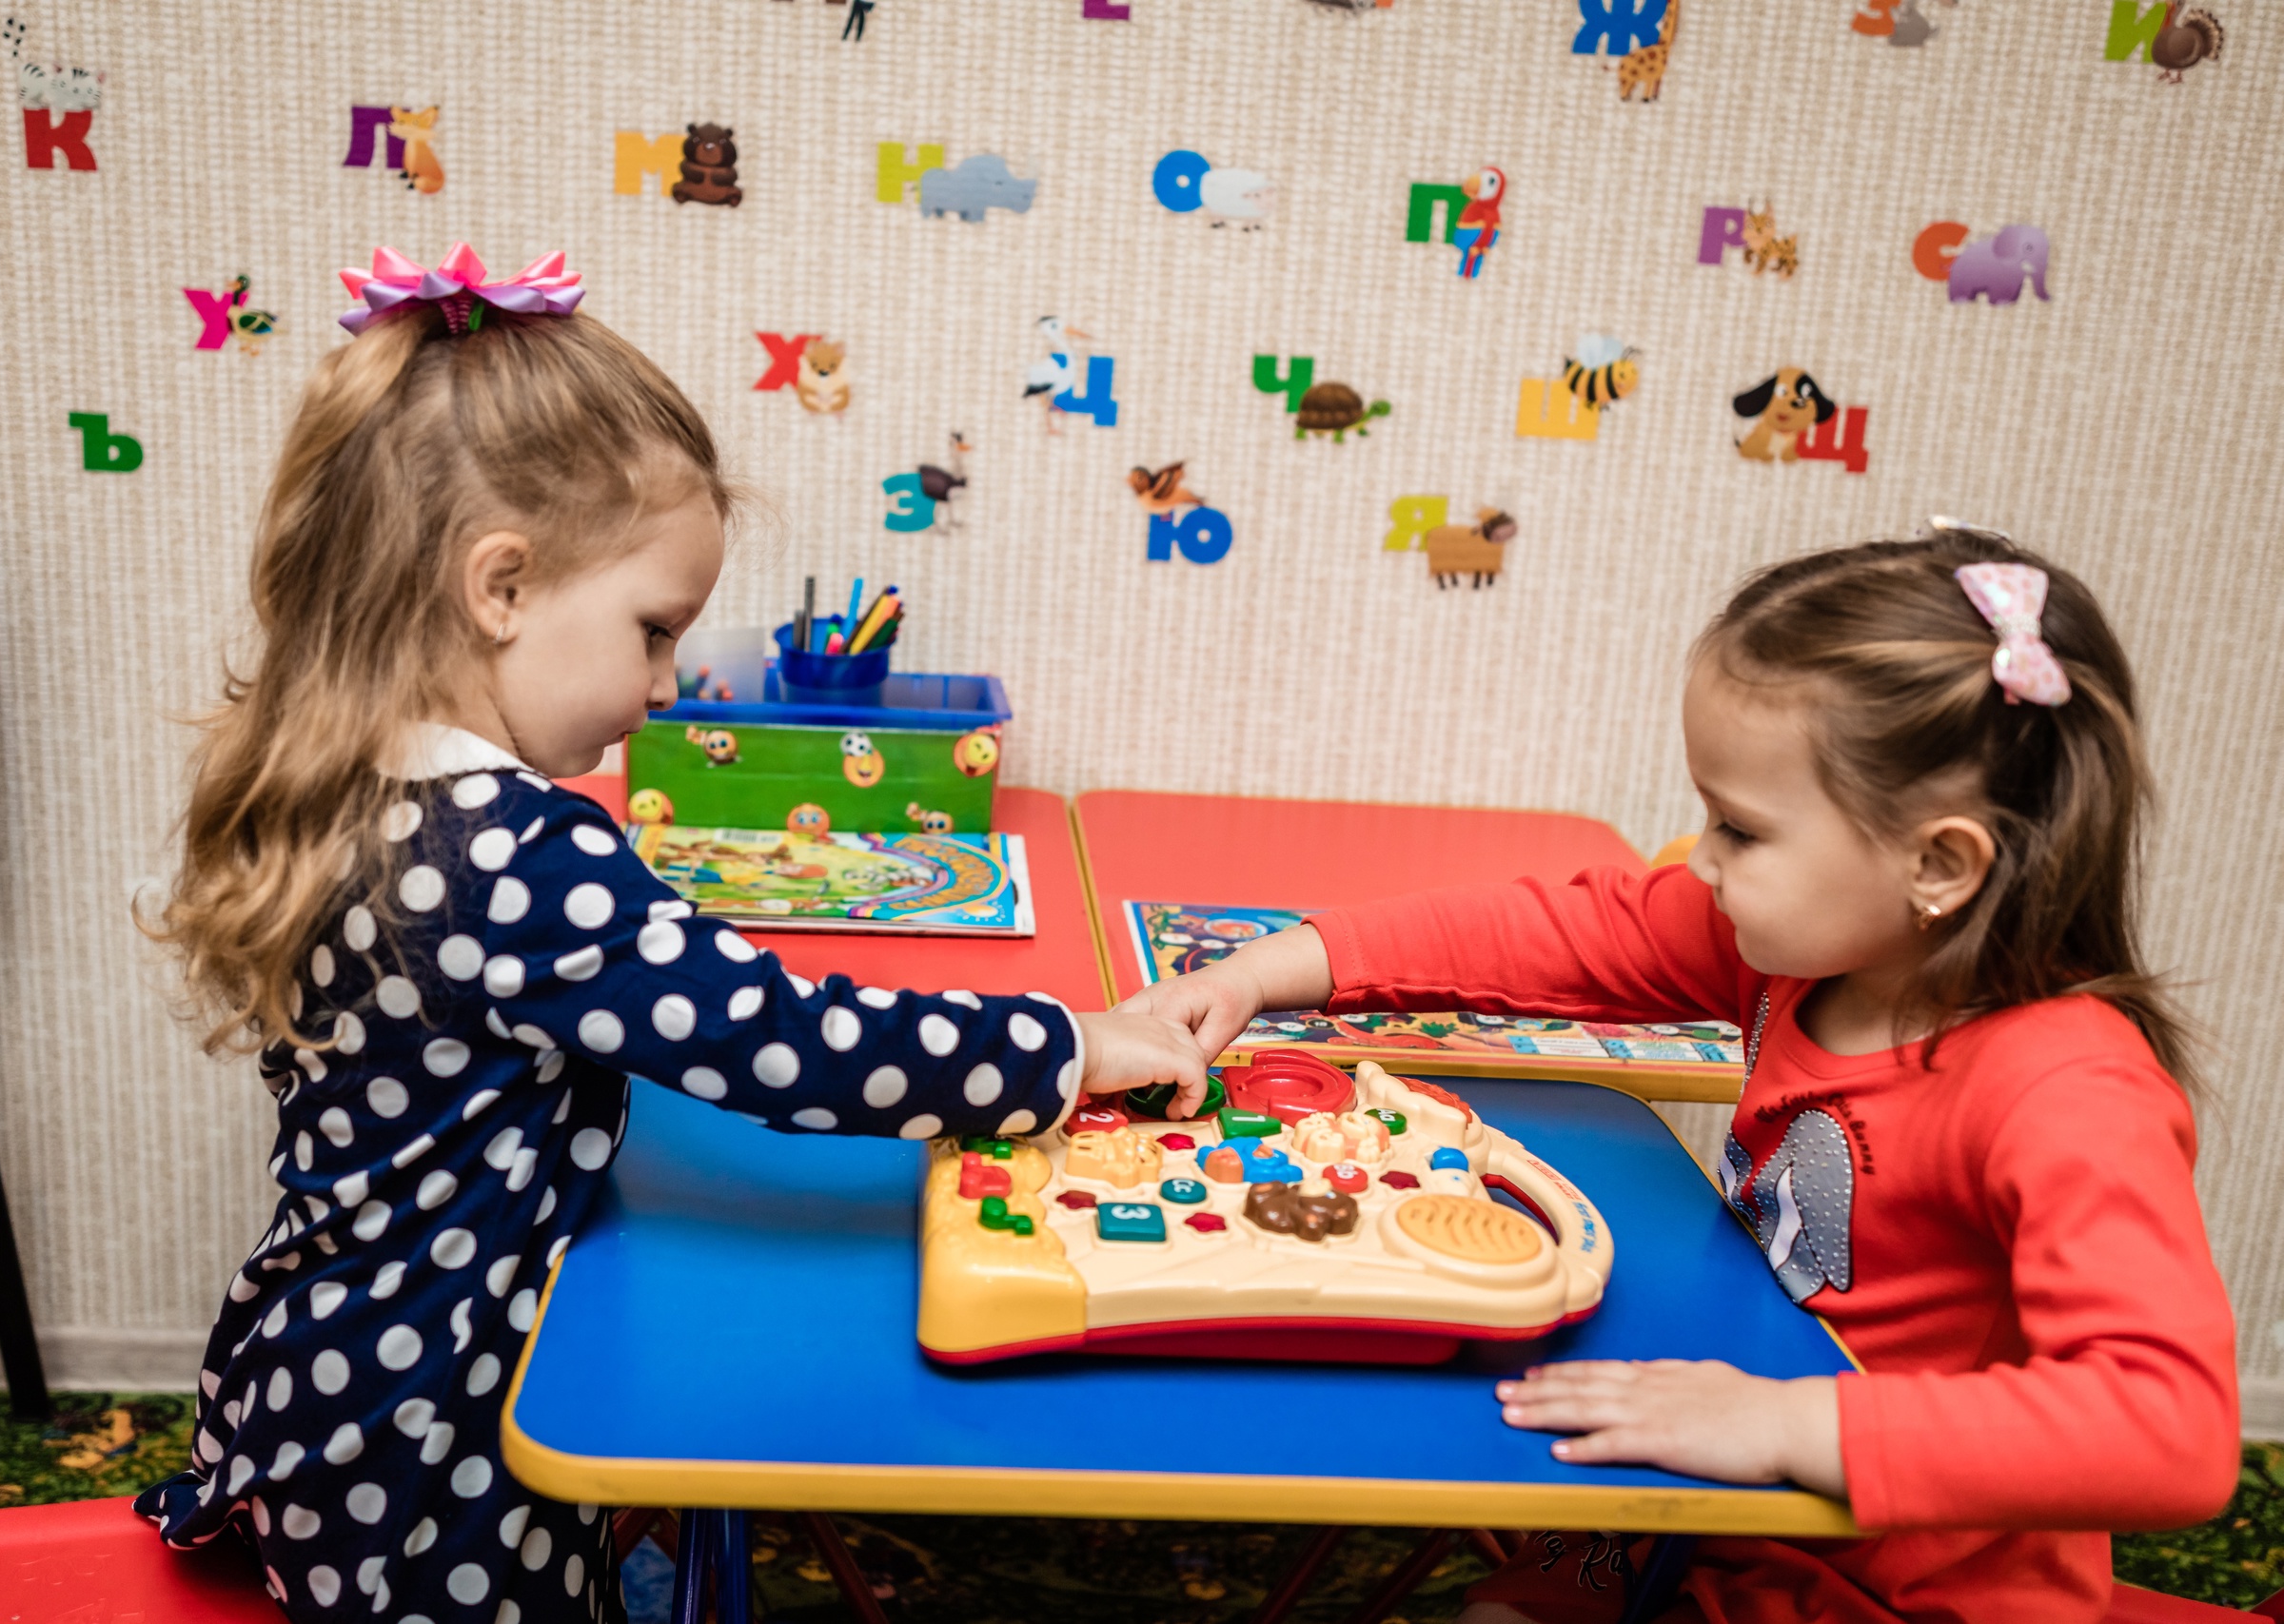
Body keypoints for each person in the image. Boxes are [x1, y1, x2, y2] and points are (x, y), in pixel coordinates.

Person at [134, 244, 1206, 1623]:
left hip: (323, 1375)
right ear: (500, 586)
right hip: (429, 1445)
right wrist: (1065, 1047)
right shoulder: (509, 853)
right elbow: (789, 1041)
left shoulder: (357, 782)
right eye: (652, 632)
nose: (660, 686)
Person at [1119, 529, 2238, 1624]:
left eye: (1739, 830)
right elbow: (1556, 935)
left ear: (1938, 864)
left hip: (1896, 1581)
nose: (1698, 858)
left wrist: (1792, 1425)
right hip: (1708, 1497)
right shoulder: (1804, 953)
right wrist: (1267, 970)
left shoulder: (2067, 1087)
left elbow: (2170, 1430)